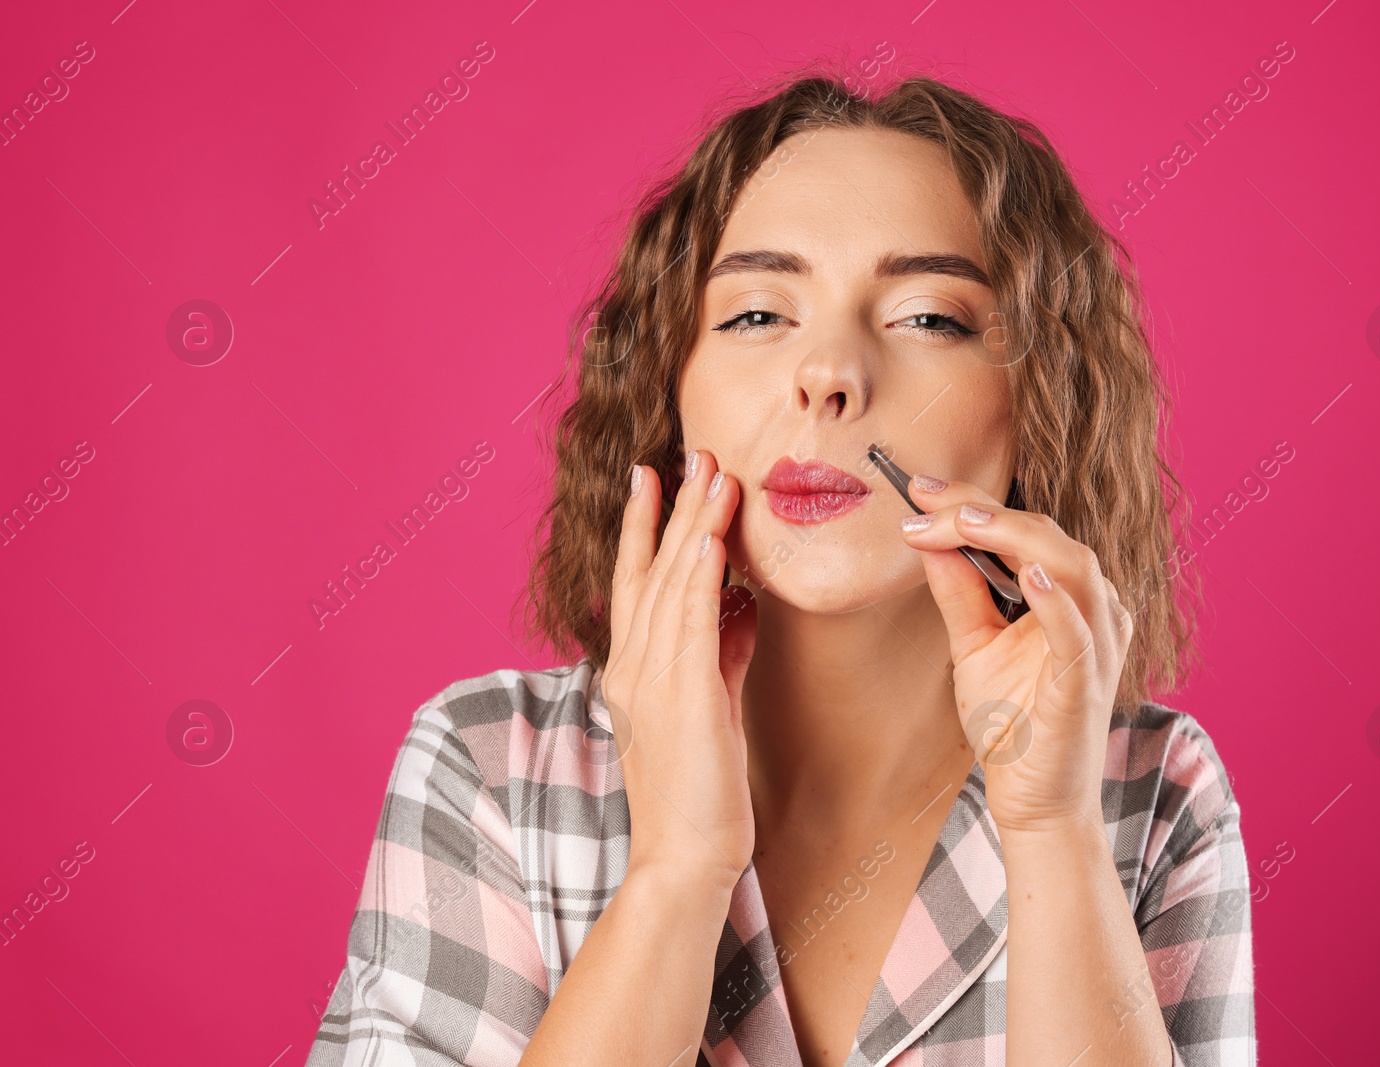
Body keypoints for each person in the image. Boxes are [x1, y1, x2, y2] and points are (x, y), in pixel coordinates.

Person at [306, 68, 1254, 1067]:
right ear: (673, 390)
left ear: (1040, 404)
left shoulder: (1153, 792)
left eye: (928, 315)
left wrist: (1054, 827)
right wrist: (677, 867)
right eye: (758, 313)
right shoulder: (490, 769)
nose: (828, 373)